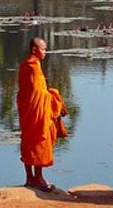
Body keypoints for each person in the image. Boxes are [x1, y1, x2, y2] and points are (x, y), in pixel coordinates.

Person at [17, 37, 66, 192]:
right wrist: (54, 96)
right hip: (36, 112)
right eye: (43, 49)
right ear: (34, 50)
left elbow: (26, 92)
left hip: (28, 111)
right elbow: (39, 93)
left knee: (28, 141)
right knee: (38, 140)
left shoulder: (25, 65)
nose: (45, 51)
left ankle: (29, 178)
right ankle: (38, 178)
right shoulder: (33, 67)